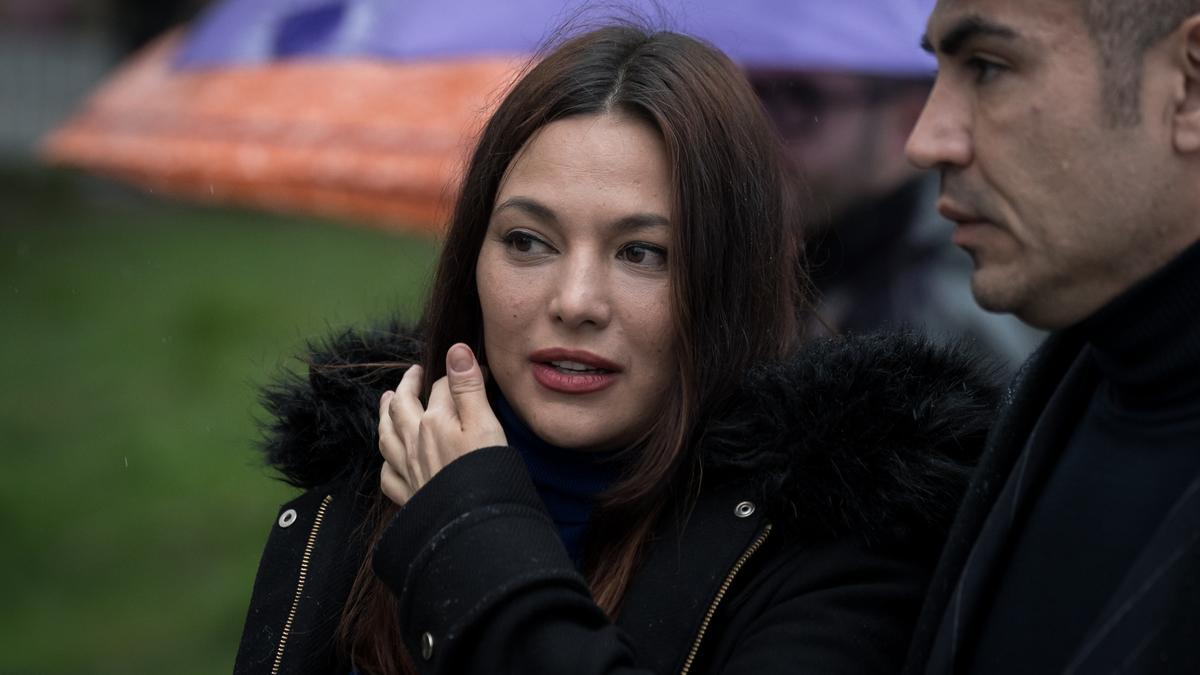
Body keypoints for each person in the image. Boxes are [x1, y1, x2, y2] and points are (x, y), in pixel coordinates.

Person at [233, 24, 998, 675]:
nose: (575, 301)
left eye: (643, 254)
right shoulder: (366, 487)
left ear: (728, 282)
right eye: (528, 241)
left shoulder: (835, 543)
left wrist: (473, 537)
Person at [902, 1, 1200, 673]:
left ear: (1189, 87)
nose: (926, 141)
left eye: (987, 65)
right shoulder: (1061, 387)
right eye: (940, 69)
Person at [741, 0, 1043, 371]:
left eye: (795, 99)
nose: (756, 132)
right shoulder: (824, 252)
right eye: (746, 95)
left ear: (909, 122)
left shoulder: (944, 308)